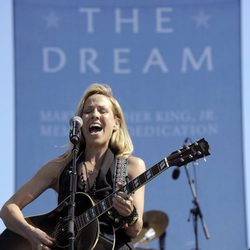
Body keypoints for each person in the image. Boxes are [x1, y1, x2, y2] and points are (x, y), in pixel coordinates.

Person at [0, 83, 146, 250]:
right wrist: (31, 233)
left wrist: (130, 214)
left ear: (116, 124)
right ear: (81, 122)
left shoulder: (132, 166)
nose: (94, 115)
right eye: (88, 111)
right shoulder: (60, 166)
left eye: (102, 111)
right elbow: (8, 209)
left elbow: (135, 230)